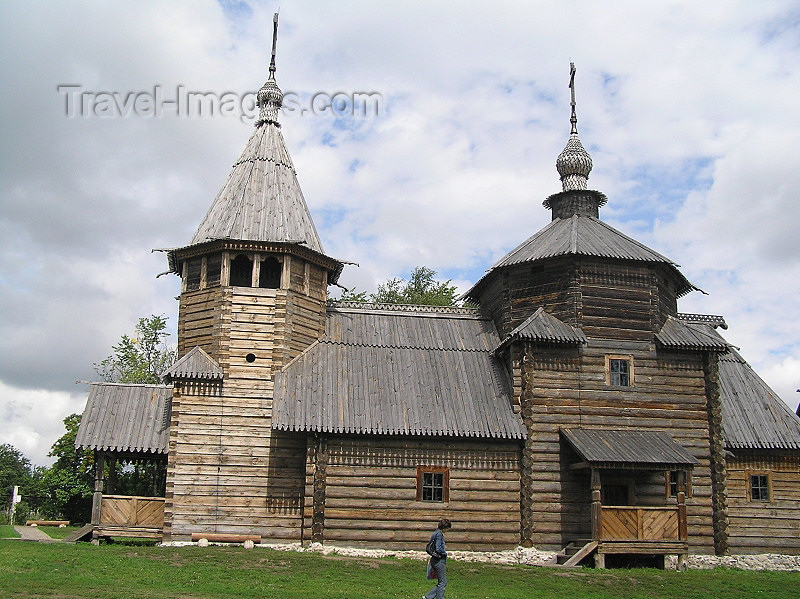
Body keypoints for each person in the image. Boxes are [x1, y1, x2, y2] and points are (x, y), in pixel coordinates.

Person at [423, 519, 452, 599]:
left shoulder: (435, 533)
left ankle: (427, 597)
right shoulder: (439, 534)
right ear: (445, 527)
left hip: (434, 560)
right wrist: (444, 553)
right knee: (442, 582)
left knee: (442, 582)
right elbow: (438, 548)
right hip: (439, 560)